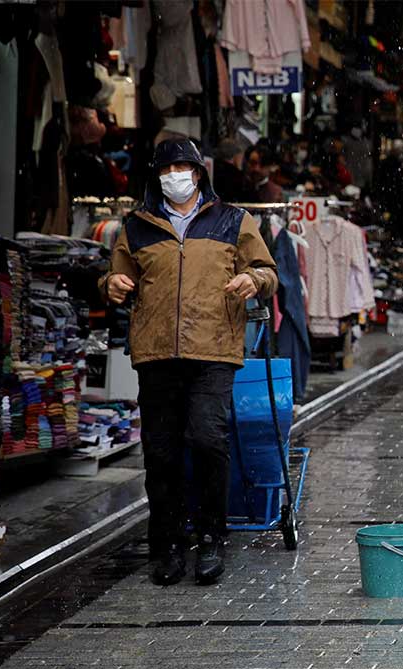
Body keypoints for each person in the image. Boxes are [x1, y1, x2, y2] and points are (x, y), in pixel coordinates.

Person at [100, 138, 278, 586]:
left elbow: (268, 272)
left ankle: (212, 537)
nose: (176, 175)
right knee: (160, 453)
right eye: (167, 169)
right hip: (156, 351)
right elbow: (116, 276)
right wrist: (112, 284)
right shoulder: (136, 226)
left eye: (184, 167)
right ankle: (167, 544)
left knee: (206, 440)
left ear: (199, 174)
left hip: (213, 349)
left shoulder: (233, 220)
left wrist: (251, 278)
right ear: (156, 177)